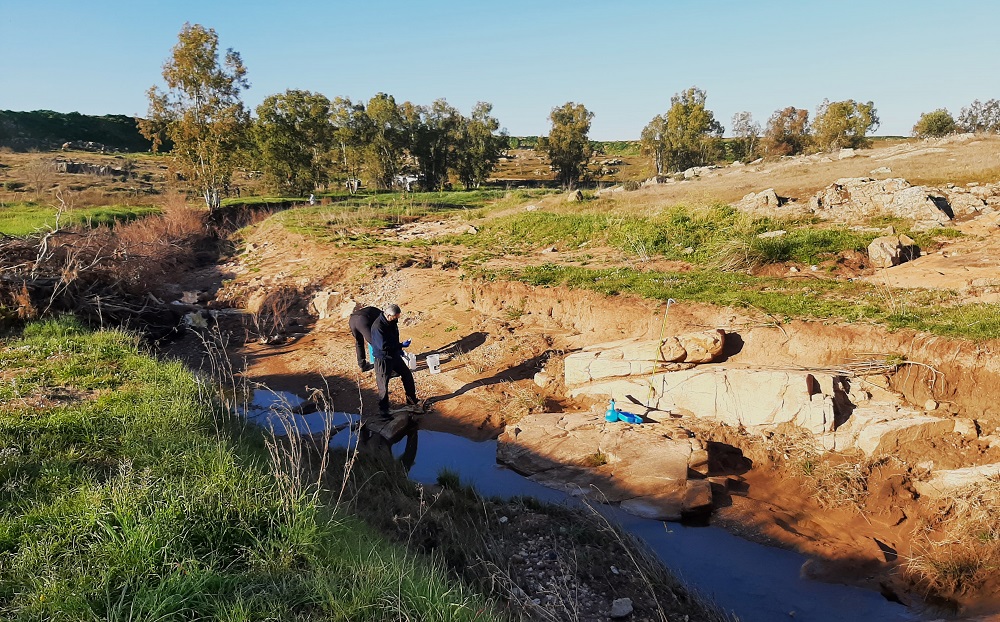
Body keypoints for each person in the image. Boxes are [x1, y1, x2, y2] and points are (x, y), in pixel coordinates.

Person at [370, 303, 419, 419]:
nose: (397, 319)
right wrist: (400, 345)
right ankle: (384, 410)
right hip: (382, 358)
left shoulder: (392, 322)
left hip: (394, 355)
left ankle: (411, 400)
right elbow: (383, 346)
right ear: (388, 315)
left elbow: (393, 337)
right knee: (383, 385)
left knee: (407, 374)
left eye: (398, 317)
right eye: (395, 317)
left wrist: (399, 349)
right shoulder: (378, 327)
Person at [349, 305, 382, 372]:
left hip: (352, 320)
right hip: (362, 320)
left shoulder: (375, 311)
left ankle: (362, 365)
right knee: (376, 344)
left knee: (359, 342)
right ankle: (384, 368)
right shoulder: (382, 316)